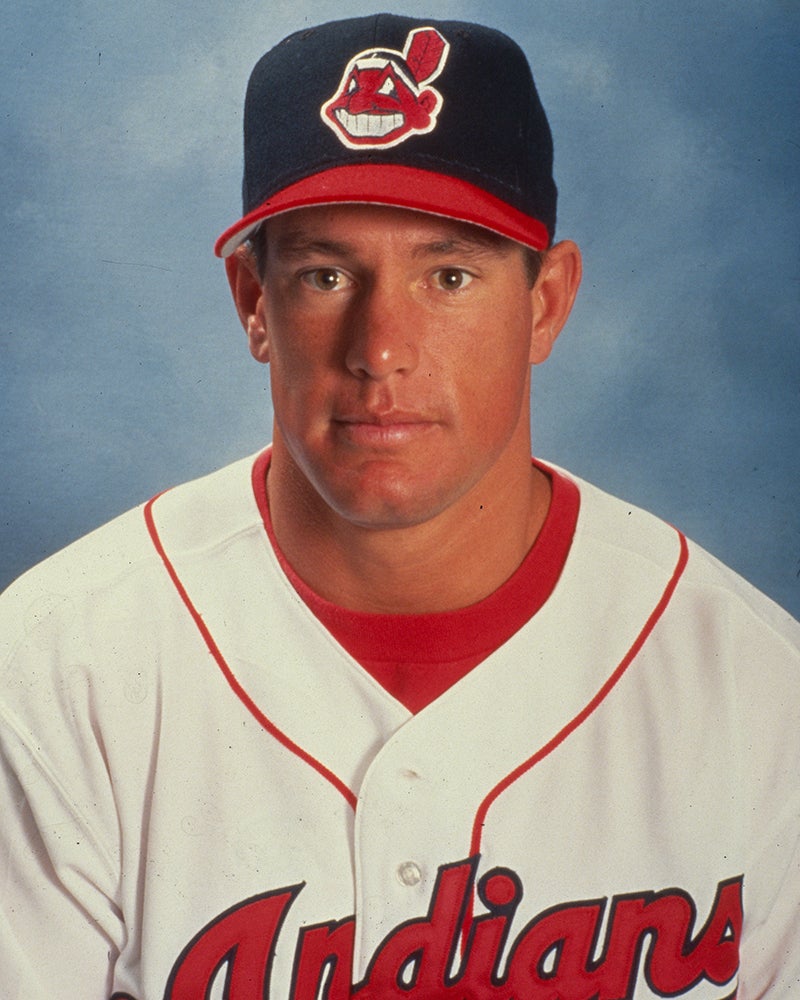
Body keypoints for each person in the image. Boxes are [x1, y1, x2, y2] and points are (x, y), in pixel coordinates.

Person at [0, 13, 797, 999]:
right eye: (323, 274)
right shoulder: (53, 664)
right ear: (252, 301)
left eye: (448, 275)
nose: (381, 347)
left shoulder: (756, 691)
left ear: (544, 300)